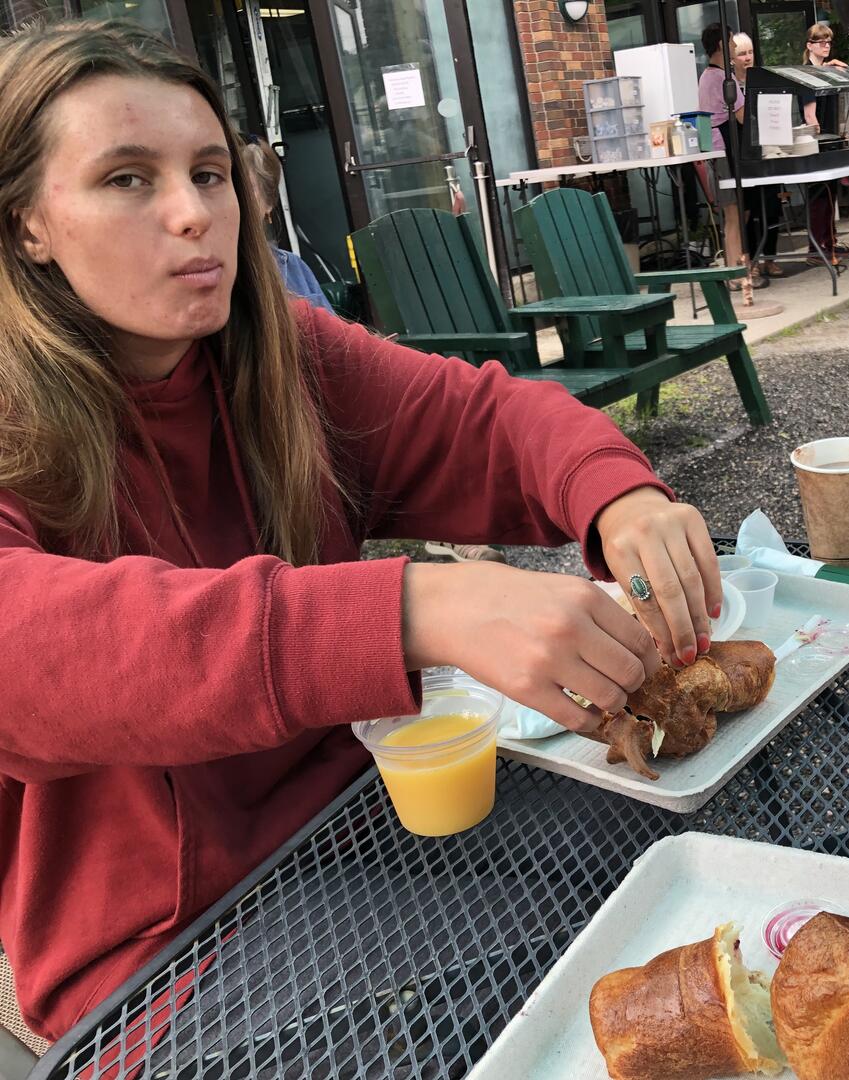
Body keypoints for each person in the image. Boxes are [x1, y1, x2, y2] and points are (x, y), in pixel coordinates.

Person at [0, 20, 723, 1041]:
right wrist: (415, 606)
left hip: (367, 827)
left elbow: (484, 419)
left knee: (678, 864)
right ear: (27, 219)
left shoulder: (281, 355)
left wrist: (619, 495)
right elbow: (35, 651)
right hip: (165, 964)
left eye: (211, 173)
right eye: (126, 178)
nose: (190, 214)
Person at [237, 138, 334, 313]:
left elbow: (334, 337)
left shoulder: (295, 267)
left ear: (268, 203)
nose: (235, 200)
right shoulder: (211, 275)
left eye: (246, 190)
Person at [796, 23, 849, 266]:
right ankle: (816, 247)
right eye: (821, 42)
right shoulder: (806, 74)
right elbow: (810, 116)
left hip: (829, 138)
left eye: (828, 42)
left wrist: (833, 67)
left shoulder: (822, 71)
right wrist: (820, 139)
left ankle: (828, 242)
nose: (826, 46)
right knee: (819, 195)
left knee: (830, 192)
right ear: (810, 45)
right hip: (817, 141)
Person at [731, 31, 783, 286]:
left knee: (772, 205)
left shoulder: (761, 78)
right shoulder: (729, 85)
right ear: (732, 57)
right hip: (742, 154)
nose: (747, 57)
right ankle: (750, 260)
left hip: (767, 148)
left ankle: (769, 258)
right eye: (742, 53)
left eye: (750, 52)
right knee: (749, 207)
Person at [697, 23, 746, 289]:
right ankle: (734, 274)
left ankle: (735, 267)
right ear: (720, 45)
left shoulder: (706, 76)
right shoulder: (722, 78)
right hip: (724, 149)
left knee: (735, 214)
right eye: (730, 42)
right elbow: (741, 116)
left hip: (713, 149)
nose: (734, 47)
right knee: (733, 214)